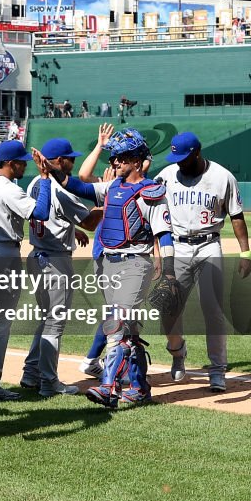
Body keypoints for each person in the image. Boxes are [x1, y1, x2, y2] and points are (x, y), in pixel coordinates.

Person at [43, 127, 176, 408]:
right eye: (114, 158)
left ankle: (108, 386)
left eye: (122, 158)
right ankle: (139, 389)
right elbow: (77, 186)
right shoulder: (112, 187)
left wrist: (168, 272)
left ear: (137, 162)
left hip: (135, 265)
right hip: (107, 264)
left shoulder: (151, 193)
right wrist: (51, 170)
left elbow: (164, 235)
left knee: (115, 325)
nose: (115, 162)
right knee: (129, 331)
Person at [156, 132, 251, 392]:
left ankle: (218, 369)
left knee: (213, 310)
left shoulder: (222, 177)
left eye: (183, 157)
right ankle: (177, 352)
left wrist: (245, 253)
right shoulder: (165, 176)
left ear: (196, 153)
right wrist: (157, 253)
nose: (178, 162)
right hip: (176, 247)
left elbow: (236, 216)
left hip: (209, 245)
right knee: (168, 308)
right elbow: (153, 213)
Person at [0, 140, 51, 400]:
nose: (25, 165)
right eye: (22, 161)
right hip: (3, 255)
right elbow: (41, 212)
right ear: (11, 164)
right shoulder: (8, 188)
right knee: (1, 322)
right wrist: (45, 178)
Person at [19, 138, 103, 396]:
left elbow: (52, 215)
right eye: (70, 157)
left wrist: (70, 229)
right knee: (55, 324)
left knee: (46, 320)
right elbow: (90, 222)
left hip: (37, 255)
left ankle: (31, 373)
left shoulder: (36, 182)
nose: (73, 161)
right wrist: (108, 201)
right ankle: (49, 382)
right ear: (57, 161)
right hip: (55, 261)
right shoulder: (60, 188)